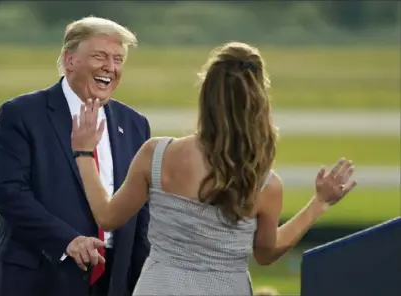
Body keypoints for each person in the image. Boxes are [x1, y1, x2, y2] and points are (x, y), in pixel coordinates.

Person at [70, 42, 358, 295]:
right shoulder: (264, 184)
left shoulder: (156, 154)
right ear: (258, 103)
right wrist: (319, 203)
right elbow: (267, 254)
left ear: (205, 95)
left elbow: (107, 216)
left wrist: (84, 153)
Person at [0, 16, 151, 296]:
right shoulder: (21, 114)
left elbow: (140, 211)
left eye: (118, 59)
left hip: (111, 281)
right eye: (100, 56)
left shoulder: (134, 124)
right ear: (70, 60)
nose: (110, 67)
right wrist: (67, 240)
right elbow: (10, 193)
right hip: (39, 277)